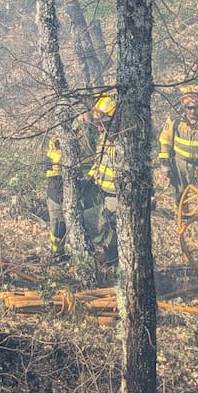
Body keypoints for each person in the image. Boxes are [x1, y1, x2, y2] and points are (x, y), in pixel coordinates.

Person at [157, 84, 198, 213]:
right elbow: (165, 140)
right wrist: (165, 164)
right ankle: (181, 217)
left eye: (195, 108)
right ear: (184, 107)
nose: (192, 111)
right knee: (180, 193)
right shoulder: (175, 120)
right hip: (180, 163)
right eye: (189, 108)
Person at [43, 110, 97, 263]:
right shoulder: (60, 140)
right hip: (57, 185)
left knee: (86, 222)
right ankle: (57, 255)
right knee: (58, 224)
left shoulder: (92, 136)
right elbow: (53, 165)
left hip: (85, 186)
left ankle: (86, 254)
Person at [84, 94, 120, 268]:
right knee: (102, 227)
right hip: (103, 192)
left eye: (102, 123)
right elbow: (99, 162)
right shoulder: (105, 138)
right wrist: (89, 178)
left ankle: (114, 261)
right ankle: (111, 258)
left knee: (92, 220)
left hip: (116, 197)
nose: (98, 127)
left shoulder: (122, 144)